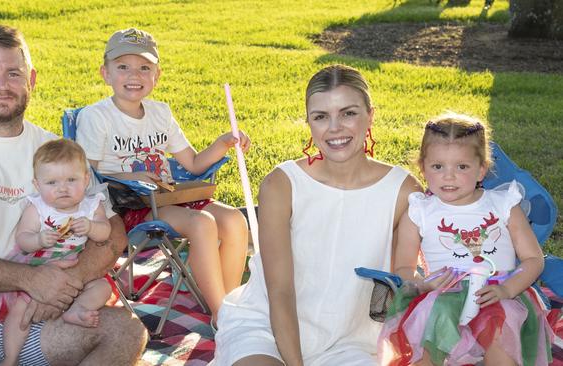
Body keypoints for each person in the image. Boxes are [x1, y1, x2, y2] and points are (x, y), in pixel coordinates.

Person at [0, 25, 147, 365]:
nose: (2, 85)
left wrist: (69, 281)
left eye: (13, 73)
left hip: (38, 306)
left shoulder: (56, 151)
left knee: (126, 333)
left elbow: (113, 234)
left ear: (32, 80)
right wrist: (30, 279)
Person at [211, 64, 422, 366]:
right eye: (321, 117)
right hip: (267, 326)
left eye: (348, 113)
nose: (334, 128)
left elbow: (406, 274)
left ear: (370, 116)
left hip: (353, 339)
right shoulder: (282, 184)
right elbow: (280, 291)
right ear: (309, 122)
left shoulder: (402, 190)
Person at [76, 27, 250, 324]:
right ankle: (220, 314)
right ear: (105, 73)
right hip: (129, 205)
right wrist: (133, 174)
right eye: (123, 67)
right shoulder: (96, 117)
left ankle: (229, 303)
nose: (135, 75)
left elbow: (194, 164)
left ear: (157, 75)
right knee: (203, 224)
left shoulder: (160, 113)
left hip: (170, 198)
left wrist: (222, 144)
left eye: (145, 68)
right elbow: (84, 175)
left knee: (235, 219)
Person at [378, 112, 553, 365]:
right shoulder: (419, 212)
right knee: (426, 342)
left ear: (481, 169)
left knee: (500, 336)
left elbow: (533, 258)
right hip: (443, 296)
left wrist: (508, 288)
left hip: (498, 295)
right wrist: (424, 284)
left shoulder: (503, 204)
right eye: (438, 167)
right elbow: (404, 267)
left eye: (462, 167)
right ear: (423, 167)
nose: (449, 177)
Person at [0, 139, 114, 366]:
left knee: (103, 288)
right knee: (20, 308)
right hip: (40, 265)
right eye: (52, 182)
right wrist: (38, 239)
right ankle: (10, 357)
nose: (62, 188)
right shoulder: (38, 207)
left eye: (71, 180)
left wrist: (91, 227)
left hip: (77, 264)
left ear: (86, 180)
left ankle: (76, 310)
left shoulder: (91, 205)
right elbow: (23, 238)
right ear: (37, 185)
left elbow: (105, 232)